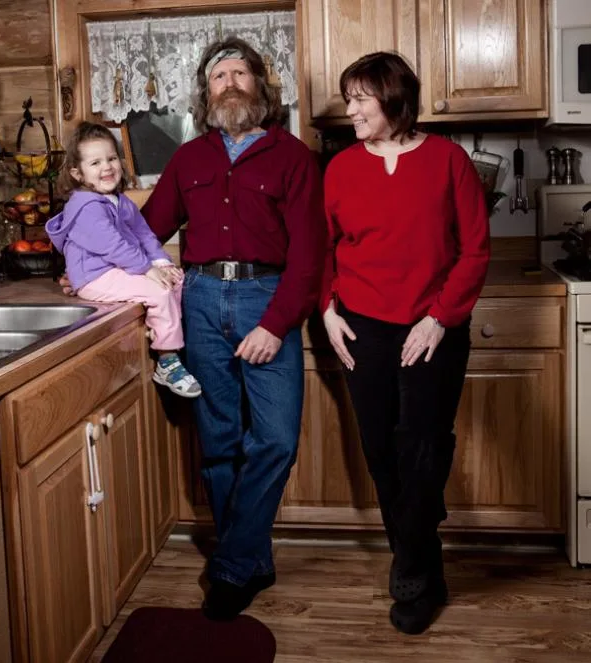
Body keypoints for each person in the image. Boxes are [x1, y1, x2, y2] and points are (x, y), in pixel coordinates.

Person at [140, 37, 327, 620]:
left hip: (266, 298)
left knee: (275, 439)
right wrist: (91, 265)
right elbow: (147, 230)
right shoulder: (188, 159)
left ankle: (230, 565)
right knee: (219, 441)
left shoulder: (293, 157)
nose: (228, 83)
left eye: (239, 73)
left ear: (260, 86)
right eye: (218, 76)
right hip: (198, 300)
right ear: (206, 92)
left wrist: (275, 324)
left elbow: (310, 255)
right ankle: (251, 559)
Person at [320, 52, 490, 635]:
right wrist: (326, 310)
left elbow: (475, 250)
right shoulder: (340, 168)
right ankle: (424, 561)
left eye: (360, 99)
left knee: (423, 450)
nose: (350, 110)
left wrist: (440, 317)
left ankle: (411, 575)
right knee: (381, 452)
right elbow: (322, 247)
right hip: (361, 327)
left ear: (393, 99)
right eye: (348, 99)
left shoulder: (448, 161)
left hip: (432, 329)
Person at [46, 121, 201, 398]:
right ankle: (167, 361)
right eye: (95, 163)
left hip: (117, 270)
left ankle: (168, 338)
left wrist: (162, 264)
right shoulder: (85, 206)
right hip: (94, 276)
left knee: (176, 281)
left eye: (111, 158)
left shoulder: (120, 200)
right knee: (158, 291)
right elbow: (113, 246)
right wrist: (148, 270)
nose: (107, 167)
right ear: (77, 173)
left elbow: (144, 235)